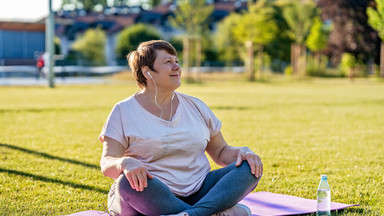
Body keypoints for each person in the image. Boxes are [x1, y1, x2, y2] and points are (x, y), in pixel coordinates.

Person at [99, 40, 263, 216]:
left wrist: (242, 153)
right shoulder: (123, 111)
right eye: (168, 62)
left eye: (176, 61)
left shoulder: (195, 106)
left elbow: (221, 152)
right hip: (152, 193)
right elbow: (107, 162)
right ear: (147, 72)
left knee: (249, 167)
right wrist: (124, 162)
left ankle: (191, 214)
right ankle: (212, 212)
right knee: (126, 183)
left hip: (200, 191)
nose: (176, 67)